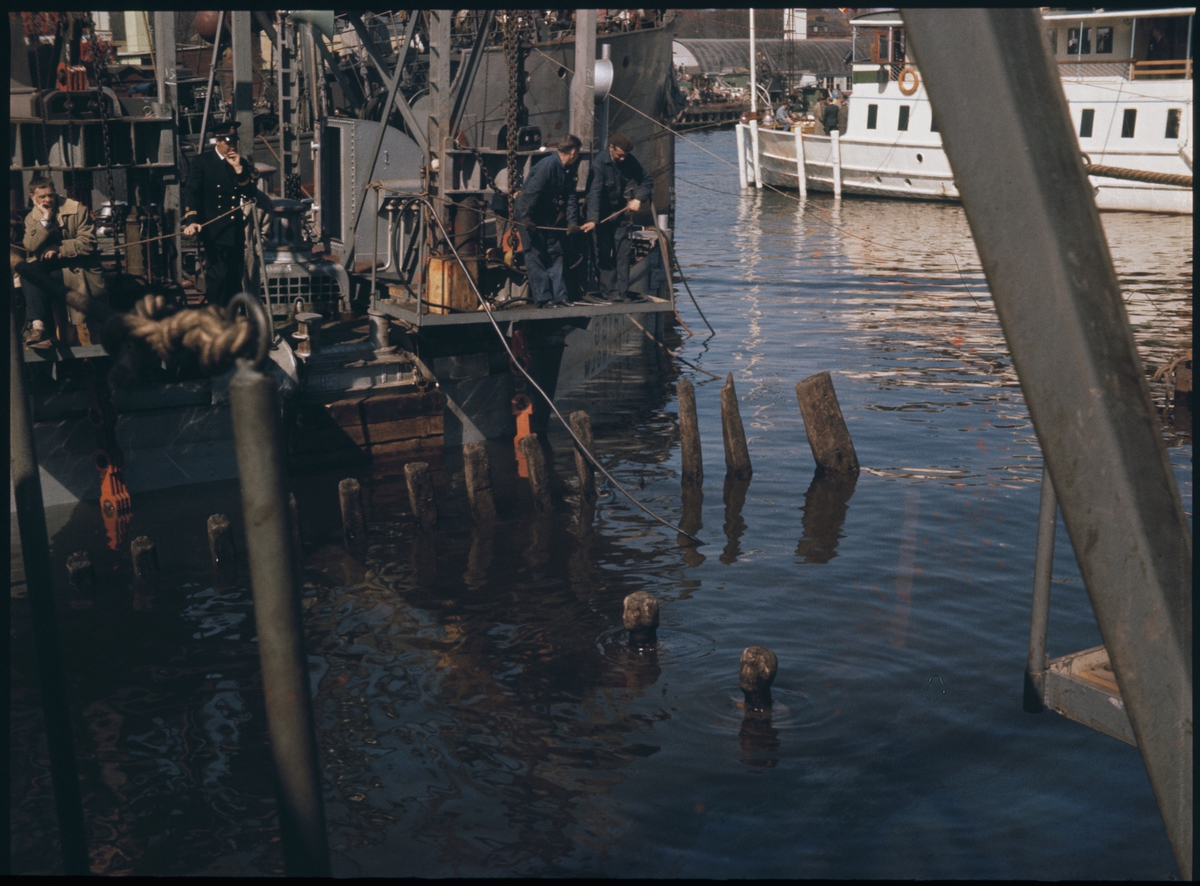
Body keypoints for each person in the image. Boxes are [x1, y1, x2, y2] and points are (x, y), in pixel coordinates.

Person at [19, 176, 105, 348]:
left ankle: (51, 334)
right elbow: (30, 245)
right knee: (28, 272)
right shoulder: (32, 217)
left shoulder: (76, 210)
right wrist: (45, 219)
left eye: (50, 195)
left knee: (43, 281)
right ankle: (38, 327)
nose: (47, 200)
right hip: (53, 268)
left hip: (79, 268)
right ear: (32, 197)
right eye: (42, 197)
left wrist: (59, 249)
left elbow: (89, 243)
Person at [181, 120, 258, 307]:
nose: (232, 146)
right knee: (218, 276)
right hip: (214, 229)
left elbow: (250, 194)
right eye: (228, 142)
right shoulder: (202, 162)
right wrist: (191, 220)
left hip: (235, 229)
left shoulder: (240, 163)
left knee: (234, 276)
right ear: (217, 141)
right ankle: (216, 314)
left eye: (234, 141)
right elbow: (191, 192)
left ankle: (232, 316)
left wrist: (239, 170)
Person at [514, 134, 592, 306]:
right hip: (530, 212)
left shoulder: (567, 169)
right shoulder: (548, 166)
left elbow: (570, 196)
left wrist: (572, 222)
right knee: (535, 253)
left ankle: (560, 296)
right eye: (578, 152)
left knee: (555, 252)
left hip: (545, 212)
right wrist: (526, 219)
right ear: (573, 152)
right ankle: (543, 298)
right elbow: (530, 194)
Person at [585, 133, 654, 303]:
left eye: (625, 155)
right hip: (601, 215)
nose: (622, 159)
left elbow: (646, 180)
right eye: (619, 155)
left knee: (623, 251)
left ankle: (622, 292)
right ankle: (608, 291)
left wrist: (638, 199)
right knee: (603, 252)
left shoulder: (629, 160)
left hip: (619, 212)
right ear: (611, 148)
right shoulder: (600, 164)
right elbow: (593, 194)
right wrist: (592, 219)